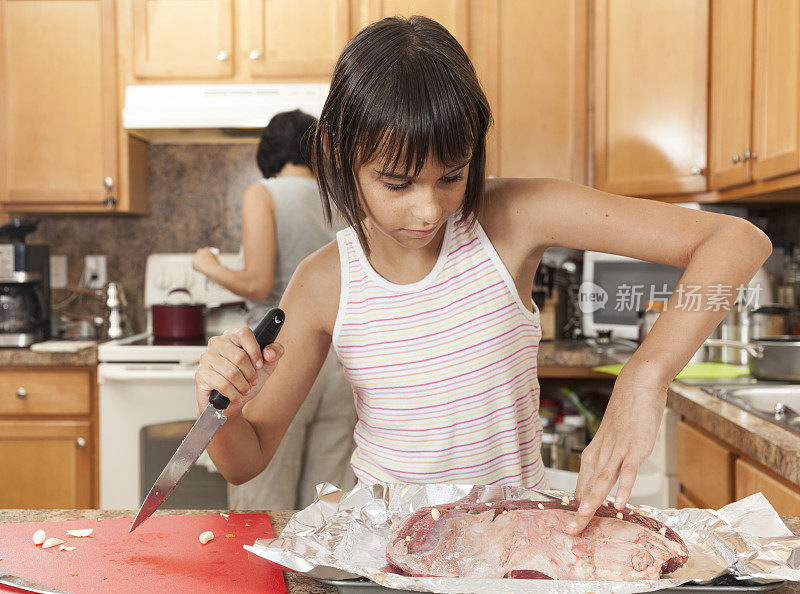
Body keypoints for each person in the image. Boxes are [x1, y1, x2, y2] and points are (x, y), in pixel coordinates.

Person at [194, 17, 772, 532]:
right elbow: (248, 458)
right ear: (336, 149)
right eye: (397, 183)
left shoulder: (513, 218)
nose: (429, 210)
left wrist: (644, 377)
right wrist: (222, 410)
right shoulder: (324, 282)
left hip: (514, 549)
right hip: (388, 553)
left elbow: (736, 240)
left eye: (452, 176)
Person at [192, 110, 356, 510]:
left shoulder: (263, 193)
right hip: (341, 362)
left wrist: (209, 267)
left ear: (269, 153)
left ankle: (262, 576)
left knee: (262, 504)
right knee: (328, 509)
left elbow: (258, 283)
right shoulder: (342, 197)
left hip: (276, 361)